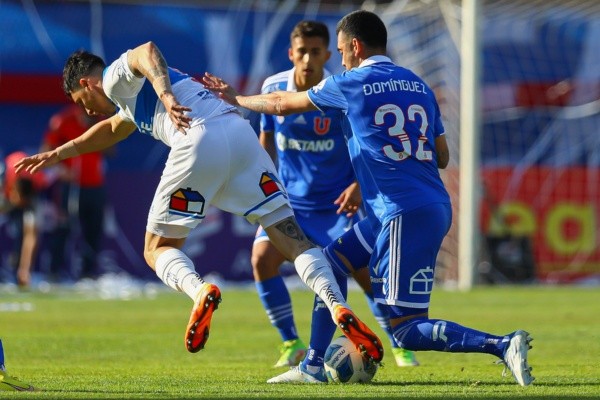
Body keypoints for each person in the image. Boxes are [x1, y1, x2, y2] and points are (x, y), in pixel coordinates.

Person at [202, 10, 535, 386]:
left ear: (356, 47)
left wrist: (237, 98)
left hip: (402, 211)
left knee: (407, 328)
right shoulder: (418, 85)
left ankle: (502, 344)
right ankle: (313, 365)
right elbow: (442, 156)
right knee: (330, 264)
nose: (341, 59)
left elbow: (281, 104)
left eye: (342, 50)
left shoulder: (351, 82)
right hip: (413, 206)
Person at [14, 42, 384, 366]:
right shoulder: (128, 100)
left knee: (156, 248)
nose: (89, 110)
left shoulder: (112, 78)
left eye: (83, 102)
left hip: (199, 139)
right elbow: (110, 129)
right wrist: (58, 153)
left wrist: (166, 96)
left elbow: (146, 51)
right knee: (291, 238)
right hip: (240, 137)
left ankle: (199, 290)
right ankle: (337, 304)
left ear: (87, 83)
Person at [251, 21, 418, 376]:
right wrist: (261, 186)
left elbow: (367, 144)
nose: (308, 59)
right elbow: (266, 144)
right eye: (302, 52)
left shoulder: (340, 90)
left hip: (337, 206)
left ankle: (399, 342)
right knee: (262, 260)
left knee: (364, 274)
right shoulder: (272, 87)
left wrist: (358, 185)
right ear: (291, 53)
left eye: (316, 52)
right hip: (290, 204)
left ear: (328, 54)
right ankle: (291, 343)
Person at [40, 104, 107, 281]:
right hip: (70, 185)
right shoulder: (63, 120)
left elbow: (111, 150)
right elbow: (45, 151)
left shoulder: (99, 120)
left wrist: (97, 130)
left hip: (94, 184)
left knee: (93, 229)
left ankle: (88, 273)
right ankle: (54, 272)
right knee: (64, 227)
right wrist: (62, 170)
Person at [0, 151, 45, 288]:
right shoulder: (5, 175)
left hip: (25, 188)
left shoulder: (37, 179)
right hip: (7, 192)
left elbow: (31, 235)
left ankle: (22, 272)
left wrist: (24, 270)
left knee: (29, 229)